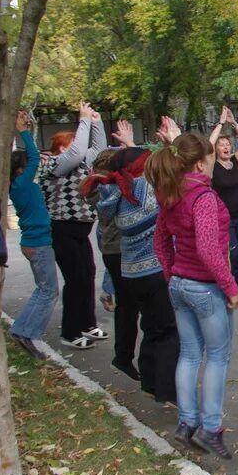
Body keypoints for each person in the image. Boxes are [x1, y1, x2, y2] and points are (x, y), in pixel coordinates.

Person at [147, 128, 238, 459]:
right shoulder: (202, 198)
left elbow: (160, 241)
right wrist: (231, 288)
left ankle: (187, 423)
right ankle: (211, 428)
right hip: (205, 288)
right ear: (201, 165)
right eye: (211, 157)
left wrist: (173, 273)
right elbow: (207, 248)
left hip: (180, 286)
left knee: (189, 354)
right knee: (218, 356)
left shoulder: (171, 193)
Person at [89, 119, 180, 404]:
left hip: (131, 273)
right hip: (154, 271)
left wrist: (130, 147)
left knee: (152, 327)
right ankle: (167, 389)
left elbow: (147, 166)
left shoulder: (116, 192)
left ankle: (151, 381)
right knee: (168, 330)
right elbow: (177, 169)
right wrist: (173, 143)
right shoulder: (147, 193)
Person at [40, 101, 108, 349]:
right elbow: (77, 152)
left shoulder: (80, 163)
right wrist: (83, 121)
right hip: (62, 228)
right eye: (69, 143)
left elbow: (98, 152)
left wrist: (96, 121)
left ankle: (88, 324)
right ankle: (70, 332)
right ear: (59, 147)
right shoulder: (52, 165)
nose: (75, 146)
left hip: (82, 228)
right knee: (75, 279)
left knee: (88, 274)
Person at [8, 111, 58, 359]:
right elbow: (35, 157)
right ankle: (28, 332)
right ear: (20, 169)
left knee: (43, 289)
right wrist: (23, 131)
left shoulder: (18, 185)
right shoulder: (23, 184)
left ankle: (21, 329)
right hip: (38, 244)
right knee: (49, 291)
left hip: (33, 242)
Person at [88, 148, 140, 380]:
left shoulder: (96, 186)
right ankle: (124, 356)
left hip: (111, 249)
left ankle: (123, 355)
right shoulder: (114, 189)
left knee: (127, 306)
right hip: (122, 249)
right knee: (132, 305)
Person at [209, 106, 238, 292]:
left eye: (227, 143)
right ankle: (231, 282)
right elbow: (207, 145)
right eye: (221, 144)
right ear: (216, 149)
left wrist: (233, 122)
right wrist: (220, 122)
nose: (226, 146)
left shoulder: (235, 162)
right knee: (233, 254)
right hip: (224, 218)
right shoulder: (211, 165)